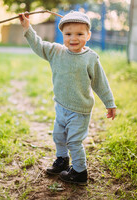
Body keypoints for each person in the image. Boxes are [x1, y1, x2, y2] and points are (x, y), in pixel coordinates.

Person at [19, 11, 116, 185]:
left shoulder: (90, 58)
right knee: (58, 136)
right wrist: (27, 28)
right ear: (62, 34)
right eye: (68, 34)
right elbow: (38, 45)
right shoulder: (56, 51)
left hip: (80, 110)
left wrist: (109, 103)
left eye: (79, 34)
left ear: (88, 35)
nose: (73, 38)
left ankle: (80, 172)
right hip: (61, 106)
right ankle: (62, 160)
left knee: (73, 141)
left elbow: (100, 83)